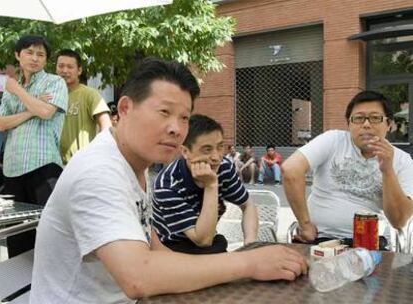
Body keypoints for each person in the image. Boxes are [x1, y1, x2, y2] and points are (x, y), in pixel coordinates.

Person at [30, 58, 307, 304]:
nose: (176, 128)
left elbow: (156, 251)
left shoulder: (135, 166)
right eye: (164, 112)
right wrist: (249, 262)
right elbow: (139, 276)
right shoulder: (98, 171)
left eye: (184, 117)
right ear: (125, 108)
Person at [282, 90, 413, 249]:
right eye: (358, 118)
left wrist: (388, 170)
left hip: (370, 244)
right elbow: (290, 170)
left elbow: (399, 220)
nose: (366, 124)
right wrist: (305, 223)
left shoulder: (402, 160)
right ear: (349, 124)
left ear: (389, 125)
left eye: (375, 118)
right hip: (320, 240)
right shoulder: (333, 140)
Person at [0, 35, 68, 257]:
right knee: (16, 235)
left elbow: (47, 113)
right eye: (29, 52)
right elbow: (1, 123)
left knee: (51, 231)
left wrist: (18, 90)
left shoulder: (55, 82)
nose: (35, 58)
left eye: (41, 54)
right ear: (18, 55)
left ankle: (54, 286)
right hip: (12, 168)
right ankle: (20, 290)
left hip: (44, 165)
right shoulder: (10, 90)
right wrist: (32, 108)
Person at [153, 115, 259, 254]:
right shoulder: (167, 184)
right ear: (185, 152)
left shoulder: (224, 167)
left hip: (211, 241)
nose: (216, 157)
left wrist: (249, 247)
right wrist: (211, 185)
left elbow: (248, 205)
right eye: (207, 150)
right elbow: (203, 240)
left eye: (220, 147)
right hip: (172, 248)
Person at [56, 49, 111, 164]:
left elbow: (106, 127)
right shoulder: (51, 97)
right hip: (54, 165)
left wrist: (98, 154)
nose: (64, 70)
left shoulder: (89, 94)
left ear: (79, 70)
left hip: (83, 163)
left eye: (70, 67)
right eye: (61, 66)